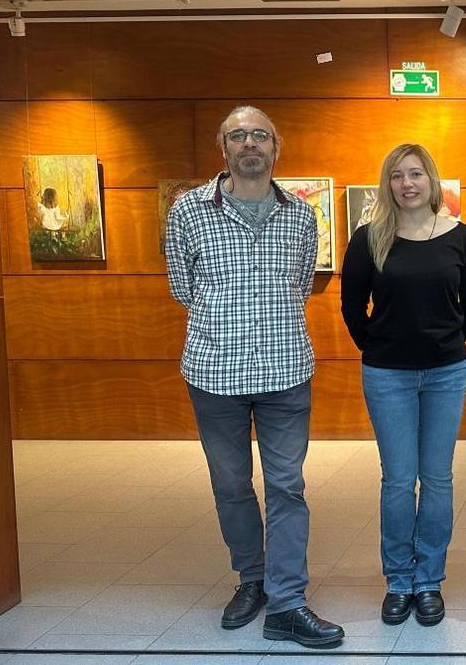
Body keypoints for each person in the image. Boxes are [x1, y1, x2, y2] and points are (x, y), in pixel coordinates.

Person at [165, 105, 344, 648]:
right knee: (231, 486)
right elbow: (182, 286)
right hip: (213, 373)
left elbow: (300, 285)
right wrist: (227, 329)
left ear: (276, 147)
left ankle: (288, 602)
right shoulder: (188, 211)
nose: (250, 144)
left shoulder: (301, 216)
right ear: (223, 149)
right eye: (238, 135)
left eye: (259, 135)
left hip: (286, 372)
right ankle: (252, 579)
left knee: (288, 486)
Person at [339, 143, 466, 627]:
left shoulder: (461, 238)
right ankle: (399, 581)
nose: (408, 183)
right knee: (399, 481)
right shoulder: (368, 238)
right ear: (388, 184)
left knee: (438, 478)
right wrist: (381, 347)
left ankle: (429, 582)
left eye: (416, 174)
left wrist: (441, 345)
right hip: (387, 376)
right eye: (398, 175)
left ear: (432, 180)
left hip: (446, 373)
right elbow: (351, 306)